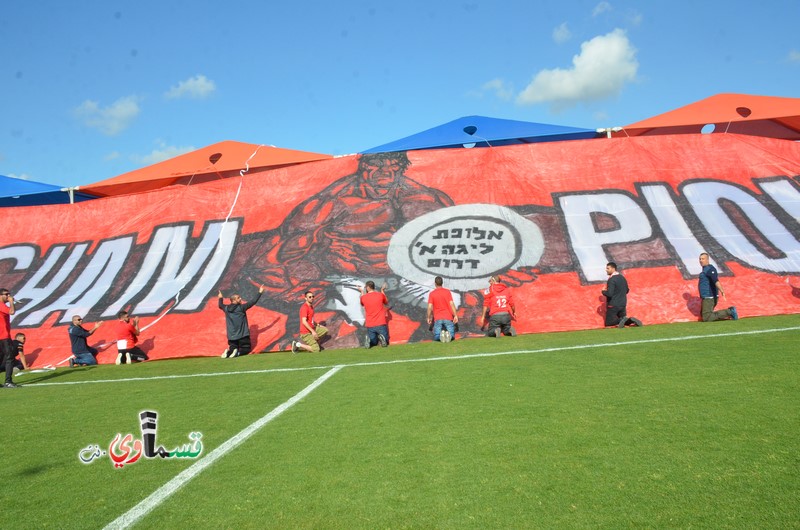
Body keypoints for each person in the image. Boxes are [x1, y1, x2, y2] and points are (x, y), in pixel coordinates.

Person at [218, 285, 264, 358]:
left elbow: (220, 305)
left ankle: (227, 353)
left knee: (233, 349)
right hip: (243, 335)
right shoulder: (241, 308)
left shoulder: (226, 308)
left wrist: (220, 297)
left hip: (231, 336)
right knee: (246, 349)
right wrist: (260, 292)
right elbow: (253, 302)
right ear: (233, 300)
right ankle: (238, 353)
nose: (240, 299)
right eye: (238, 298)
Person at [698, 252, 738, 322]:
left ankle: (730, 311)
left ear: (707, 260)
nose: (701, 260)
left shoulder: (710, 269)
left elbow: (716, 281)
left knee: (706, 318)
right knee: (704, 315)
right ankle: (728, 314)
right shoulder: (705, 269)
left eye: (703, 259)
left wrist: (722, 291)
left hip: (709, 296)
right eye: (700, 259)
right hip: (706, 296)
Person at [602, 262, 643, 328]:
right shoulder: (622, 278)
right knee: (624, 323)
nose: (606, 270)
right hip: (623, 304)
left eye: (608, 268)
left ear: (613, 268)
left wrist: (603, 291)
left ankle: (622, 319)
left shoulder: (611, 279)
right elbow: (627, 290)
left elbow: (610, 294)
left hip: (613, 305)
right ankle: (629, 320)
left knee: (609, 323)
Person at [427, 276, 458, 343]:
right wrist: (455, 315)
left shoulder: (432, 294)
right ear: (442, 283)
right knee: (452, 335)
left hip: (437, 318)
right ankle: (448, 335)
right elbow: (452, 304)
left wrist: (428, 317)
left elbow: (429, 307)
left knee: (437, 336)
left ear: (435, 283)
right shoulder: (447, 292)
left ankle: (441, 336)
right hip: (448, 317)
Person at [359, 281, 390, 348]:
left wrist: (361, 292)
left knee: (374, 342)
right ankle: (382, 338)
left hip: (370, 324)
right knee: (386, 341)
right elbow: (386, 302)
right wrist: (382, 290)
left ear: (367, 287)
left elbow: (362, 303)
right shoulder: (380, 295)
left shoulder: (364, 297)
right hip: (380, 322)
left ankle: (370, 340)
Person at [0, 288, 20, 387]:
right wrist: (11, 302)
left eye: (9, 294)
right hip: (3, 336)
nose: (8, 296)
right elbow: (12, 312)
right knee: (9, 358)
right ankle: (8, 381)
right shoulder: (1, 305)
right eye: (6, 294)